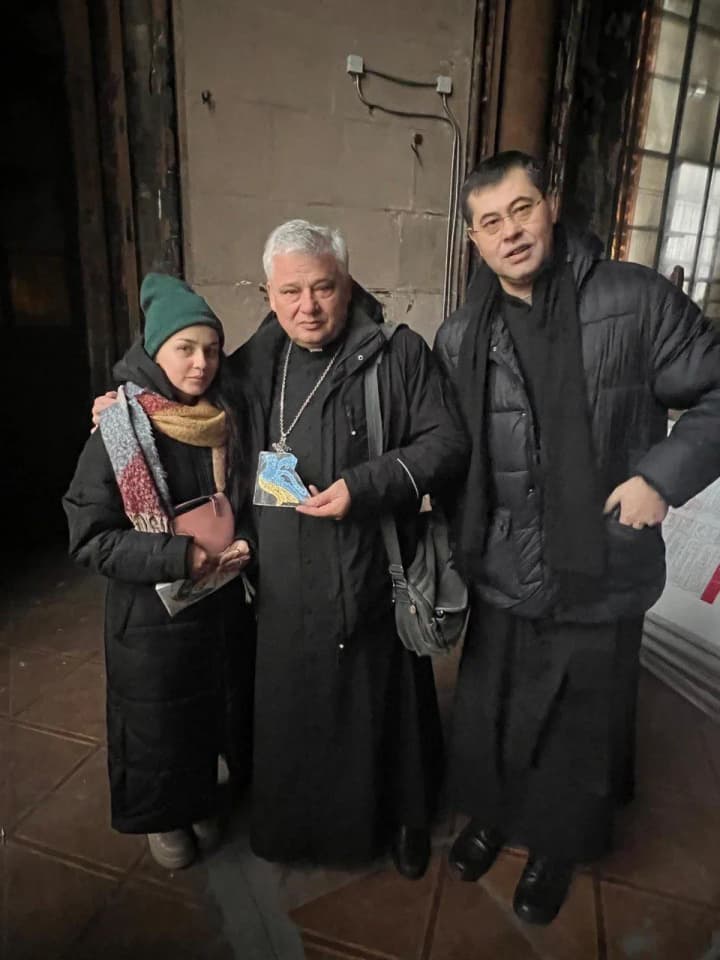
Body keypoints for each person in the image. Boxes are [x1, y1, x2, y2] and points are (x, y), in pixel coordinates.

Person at [434, 150, 720, 924]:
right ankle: (493, 815)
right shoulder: (461, 333)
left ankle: (557, 845)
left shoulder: (632, 298)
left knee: (579, 719)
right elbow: (442, 444)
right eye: (490, 222)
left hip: (601, 556)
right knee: (493, 703)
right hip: (501, 559)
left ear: (550, 206)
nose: (510, 232)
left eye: (521, 209)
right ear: (473, 238)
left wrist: (662, 477)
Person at [226, 219, 469, 877]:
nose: (308, 306)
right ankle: (298, 829)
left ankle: (405, 818)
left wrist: (362, 486)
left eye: (324, 288)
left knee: (383, 706)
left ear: (347, 282)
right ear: (267, 293)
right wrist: (126, 399)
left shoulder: (398, 351)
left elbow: (445, 444)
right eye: (291, 292)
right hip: (282, 576)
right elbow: (181, 386)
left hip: (369, 563)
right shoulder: (253, 364)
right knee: (296, 709)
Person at [64, 274, 256, 870]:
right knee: (157, 722)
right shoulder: (119, 430)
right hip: (149, 617)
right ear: (154, 350)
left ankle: (196, 798)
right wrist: (177, 557)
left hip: (219, 601)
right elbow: (90, 538)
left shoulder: (227, 415)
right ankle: (163, 820)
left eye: (210, 349)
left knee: (208, 712)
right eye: (184, 349)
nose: (200, 364)